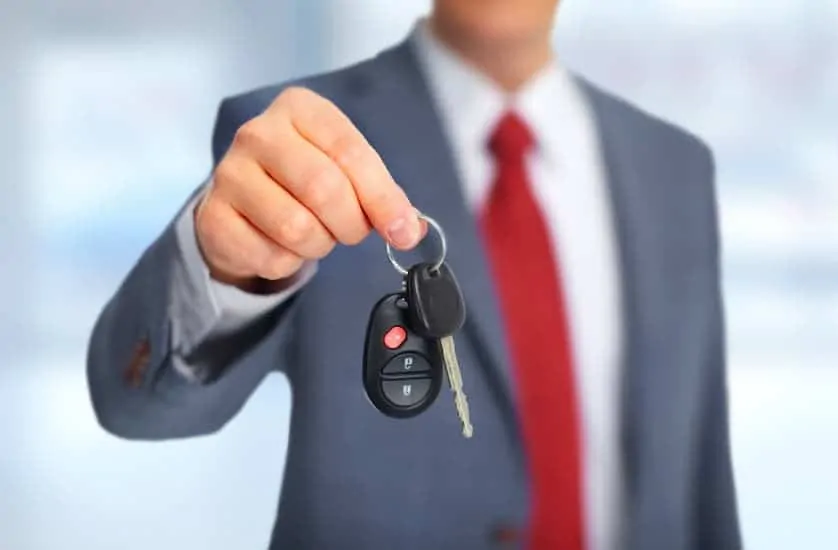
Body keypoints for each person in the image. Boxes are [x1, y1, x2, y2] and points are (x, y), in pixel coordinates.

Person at [86, 1, 742, 548]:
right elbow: (134, 405)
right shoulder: (297, 141)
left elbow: (702, 475)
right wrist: (223, 266)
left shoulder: (676, 167)